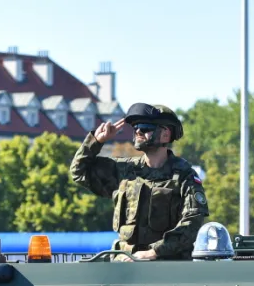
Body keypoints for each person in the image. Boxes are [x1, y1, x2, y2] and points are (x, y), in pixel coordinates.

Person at [69, 103, 209, 260]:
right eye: (135, 127)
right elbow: (79, 172)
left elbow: (192, 223)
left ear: (166, 134)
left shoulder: (184, 175)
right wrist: (96, 141)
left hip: (166, 267)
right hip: (123, 263)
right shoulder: (125, 169)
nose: (138, 132)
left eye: (145, 127)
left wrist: (153, 253)